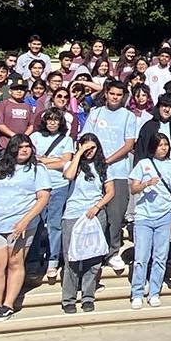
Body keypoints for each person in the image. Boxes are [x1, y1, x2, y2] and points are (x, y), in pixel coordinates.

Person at [0, 135, 51, 321]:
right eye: (21, 147)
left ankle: (8, 304)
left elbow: (43, 197)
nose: (25, 150)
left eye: (28, 146)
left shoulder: (37, 169)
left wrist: (25, 221)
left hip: (22, 225)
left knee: (15, 263)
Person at [80, 80, 140, 274]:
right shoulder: (95, 113)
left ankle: (113, 251)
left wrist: (107, 160)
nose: (114, 97)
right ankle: (94, 250)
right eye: (112, 93)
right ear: (106, 93)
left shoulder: (128, 116)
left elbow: (129, 144)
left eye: (118, 95)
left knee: (116, 214)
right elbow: (86, 138)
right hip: (94, 171)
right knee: (96, 212)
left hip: (119, 171)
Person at [126, 133, 171, 308]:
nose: (163, 148)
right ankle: (137, 292)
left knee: (160, 256)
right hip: (144, 216)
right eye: (160, 145)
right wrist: (146, 184)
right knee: (141, 256)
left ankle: (154, 291)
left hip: (164, 215)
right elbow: (133, 189)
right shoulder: (143, 164)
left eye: (166, 144)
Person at [59, 134, 115, 313]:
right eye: (87, 148)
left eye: (93, 148)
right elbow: (68, 175)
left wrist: (97, 207)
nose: (90, 152)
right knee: (72, 258)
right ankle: (68, 298)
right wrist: (80, 153)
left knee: (93, 257)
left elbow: (110, 192)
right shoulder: (73, 164)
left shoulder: (104, 167)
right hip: (73, 214)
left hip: (95, 213)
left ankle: (88, 296)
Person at [31, 108, 74, 282]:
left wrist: (43, 161)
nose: (52, 123)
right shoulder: (34, 137)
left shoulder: (67, 139)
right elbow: (31, 158)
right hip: (38, 186)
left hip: (59, 185)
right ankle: (33, 260)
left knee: (55, 224)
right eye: (49, 120)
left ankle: (53, 260)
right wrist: (52, 161)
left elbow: (65, 162)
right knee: (36, 223)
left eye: (56, 120)